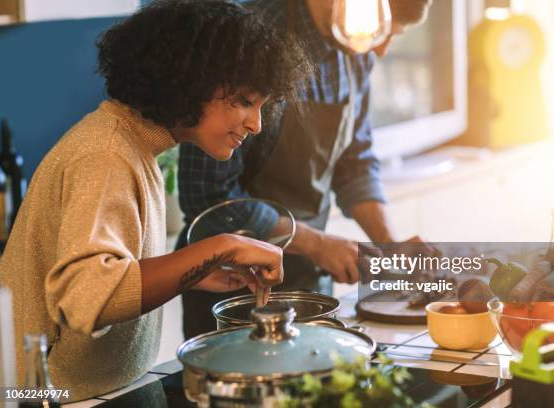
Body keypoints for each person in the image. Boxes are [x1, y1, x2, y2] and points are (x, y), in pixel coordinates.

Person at [0, 0, 309, 401]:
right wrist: (222, 246)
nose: (257, 124)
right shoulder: (106, 154)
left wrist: (194, 271)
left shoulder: (132, 146)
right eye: (246, 101)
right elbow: (87, 296)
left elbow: (114, 271)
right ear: (193, 80)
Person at [177, 0, 434, 337]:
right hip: (231, 285)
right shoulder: (248, 36)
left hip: (307, 279)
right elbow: (209, 196)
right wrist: (316, 244)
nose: (382, 50)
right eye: (379, 30)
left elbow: (354, 162)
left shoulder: (356, 51)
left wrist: (389, 246)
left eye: (389, 34)